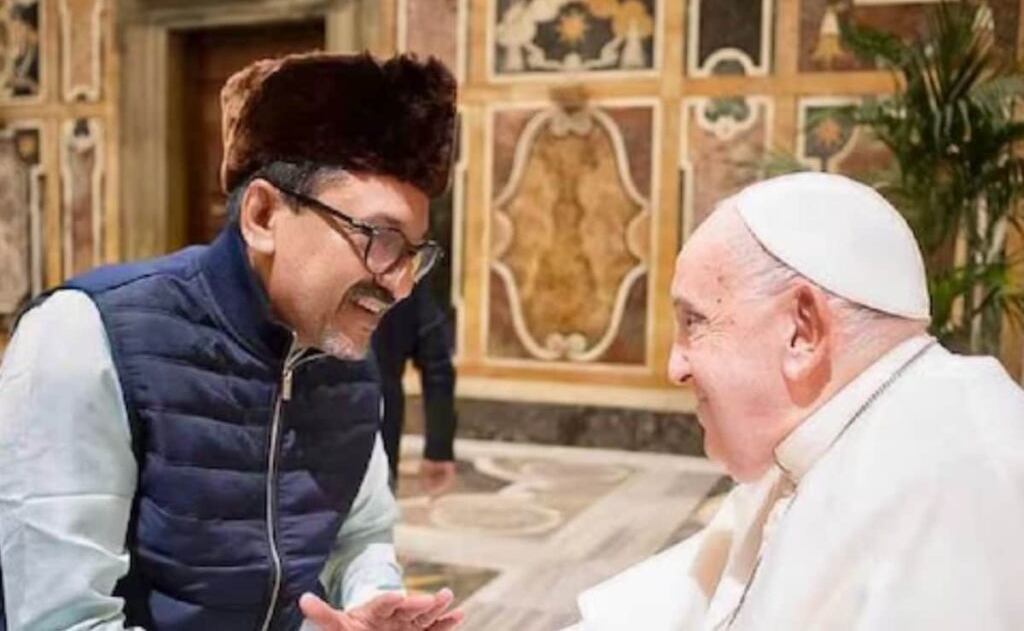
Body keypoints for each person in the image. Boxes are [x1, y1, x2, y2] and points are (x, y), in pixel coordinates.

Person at [0, 52, 465, 631]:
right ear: (264, 215)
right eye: (380, 237)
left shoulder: (343, 355)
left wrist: (368, 597)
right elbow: (60, 621)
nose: (397, 284)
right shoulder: (87, 336)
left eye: (414, 254)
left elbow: (361, 533)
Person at [569, 172, 1024, 630]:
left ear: (803, 331)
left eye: (694, 320)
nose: (675, 368)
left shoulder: (954, 486)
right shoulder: (830, 439)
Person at [372, 280, 458, 492]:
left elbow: (437, 366)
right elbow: (438, 367)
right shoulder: (401, 274)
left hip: (309, 439)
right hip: (379, 430)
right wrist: (439, 449)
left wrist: (439, 447)